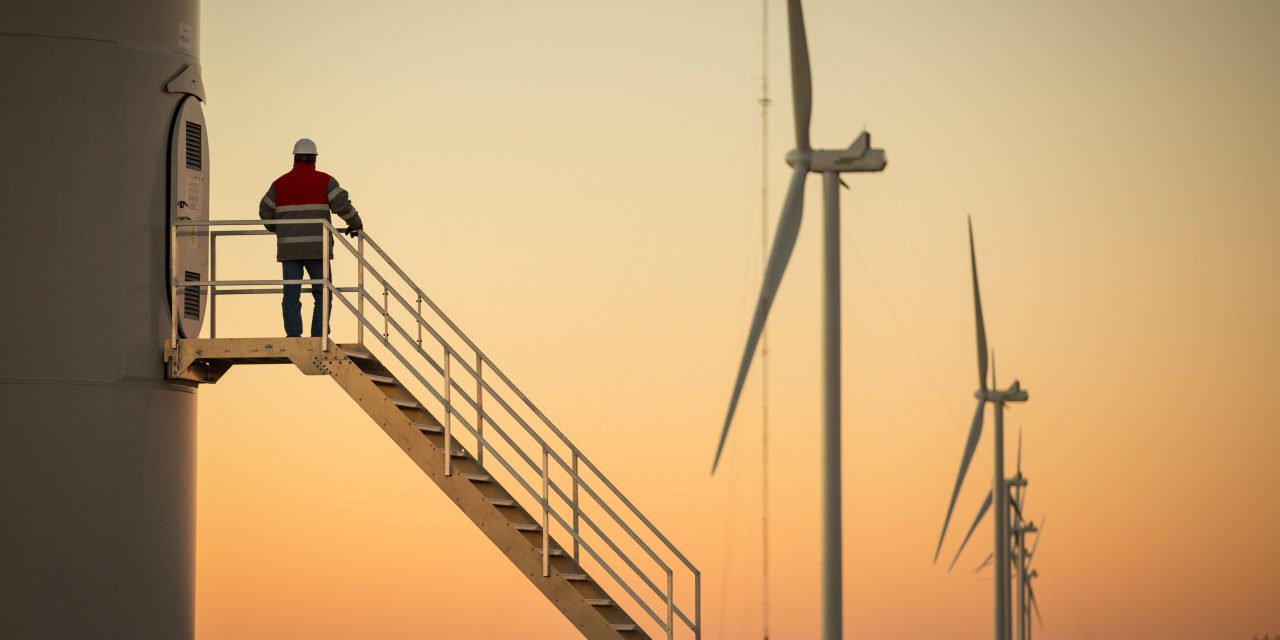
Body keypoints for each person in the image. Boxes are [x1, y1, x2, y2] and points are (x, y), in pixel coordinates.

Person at [258, 138, 364, 337]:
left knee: (291, 293)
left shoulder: (279, 184)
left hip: (289, 249)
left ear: (295, 159)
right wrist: (356, 225)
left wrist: (278, 228)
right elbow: (343, 205)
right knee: (322, 292)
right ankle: (319, 334)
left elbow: (264, 210)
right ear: (314, 159)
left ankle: (293, 334)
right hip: (317, 248)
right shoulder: (325, 181)